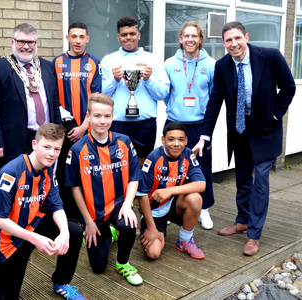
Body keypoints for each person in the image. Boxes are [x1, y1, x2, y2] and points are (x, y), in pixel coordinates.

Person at [193, 21, 296, 256]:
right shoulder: (222, 66)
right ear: (223, 43)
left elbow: (289, 87)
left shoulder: (270, 57)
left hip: (265, 129)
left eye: (237, 38)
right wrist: (204, 136)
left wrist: (274, 113)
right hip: (239, 130)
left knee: (260, 181)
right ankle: (242, 220)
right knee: (242, 177)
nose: (233, 44)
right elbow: (214, 102)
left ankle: (254, 234)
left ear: (246, 37)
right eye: (228, 40)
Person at [0, 123, 85, 300]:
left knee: (74, 232)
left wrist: (64, 233)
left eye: (57, 149)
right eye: (46, 147)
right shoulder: (10, 173)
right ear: (34, 145)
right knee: (5, 296)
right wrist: (35, 238)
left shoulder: (48, 171)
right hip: (5, 238)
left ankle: (61, 282)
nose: (52, 153)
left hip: (30, 224)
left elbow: (56, 207)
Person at [65, 93, 143, 286]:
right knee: (98, 267)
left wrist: (127, 205)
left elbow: (134, 177)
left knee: (129, 223)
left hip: (117, 203)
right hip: (93, 211)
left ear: (112, 116)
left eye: (107, 116)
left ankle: (122, 263)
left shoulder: (124, 142)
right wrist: (89, 222)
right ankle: (108, 232)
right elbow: (75, 188)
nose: (102, 121)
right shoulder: (77, 150)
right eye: (97, 116)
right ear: (88, 117)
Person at [163, 21, 216, 230]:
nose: (190, 40)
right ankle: (169, 206)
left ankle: (204, 208)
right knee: (172, 167)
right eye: (186, 36)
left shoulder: (211, 64)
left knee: (202, 167)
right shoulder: (169, 64)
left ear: (200, 39)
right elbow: (164, 94)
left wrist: (207, 131)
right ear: (180, 39)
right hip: (175, 123)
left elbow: (214, 99)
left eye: (194, 36)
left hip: (199, 125)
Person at [0, 23, 61, 165]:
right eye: (21, 41)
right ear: (13, 42)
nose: (26, 46)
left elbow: (54, 102)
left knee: (44, 180)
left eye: (30, 42)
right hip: (16, 140)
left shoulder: (47, 66)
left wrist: (58, 136)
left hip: (46, 138)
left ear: (36, 43)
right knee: (18, 181)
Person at [101, 16, 170, 166]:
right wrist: (114, 80)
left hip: (145, 124)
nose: (128, 38)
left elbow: (163, 93)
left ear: (138, 35)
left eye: (132, 34)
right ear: (118, 37)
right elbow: (100, 95)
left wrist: (149, 79)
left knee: (143, 165)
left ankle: (140, 191)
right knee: (117, 164)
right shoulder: (108, 60)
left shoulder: (153, 60)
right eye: (124, 35)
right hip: (117, 123)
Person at [53, 21, 102, 221]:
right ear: (67, 38)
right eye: (74, 36)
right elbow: (53, 96)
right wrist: (66, 125)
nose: (78, 41)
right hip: (64, 130)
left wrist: (84, 126)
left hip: (87, 129)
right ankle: (68, 218)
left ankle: (90, 215)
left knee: (89, 173)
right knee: (65, 174)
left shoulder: (94, 63)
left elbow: (96, 98)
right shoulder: (56, 62)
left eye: (82, 37)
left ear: (87, 39)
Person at [137, 121, 206, 260]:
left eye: (181, 139)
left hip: (174, 204)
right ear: (163, 140)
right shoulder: (153, 157)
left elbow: (201, 184)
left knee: (195, 198)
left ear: (186, 140)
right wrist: (152, 228)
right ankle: (149, 227)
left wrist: (170, 191)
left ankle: (185, 240)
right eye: (171, 139)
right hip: (154, 210)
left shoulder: (187, 154)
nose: (176, 144)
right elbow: (142, 195)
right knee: (153, 253)